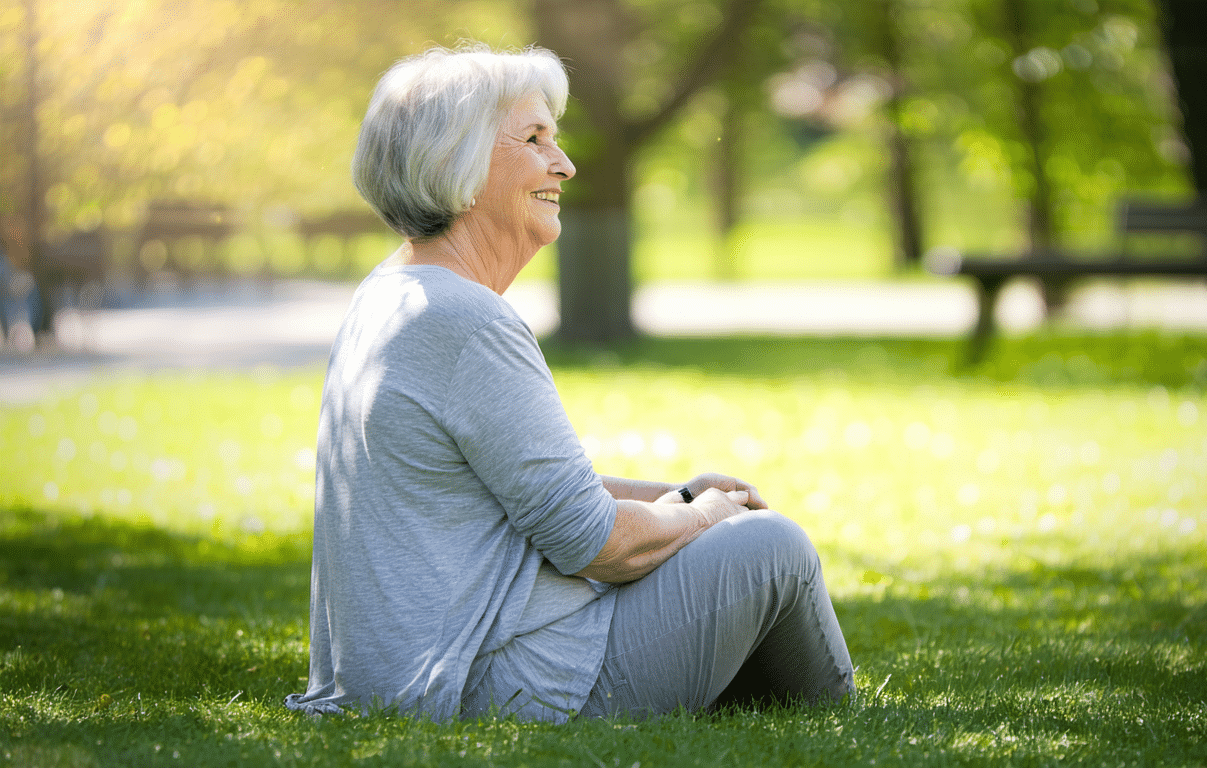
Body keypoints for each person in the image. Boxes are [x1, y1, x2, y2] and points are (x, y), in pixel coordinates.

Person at [284, 43, 853, 724]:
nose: (566, 164)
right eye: (534, 139)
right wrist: (704, 518)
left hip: (432, 674)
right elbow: (596, 545)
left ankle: (760, 704)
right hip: (498, 687)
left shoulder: (394, 294)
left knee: (722, 539)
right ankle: (839, 719)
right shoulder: (465, 321)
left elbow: (517, 490)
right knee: (772, 549)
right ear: (455, 165)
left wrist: (672, 496)